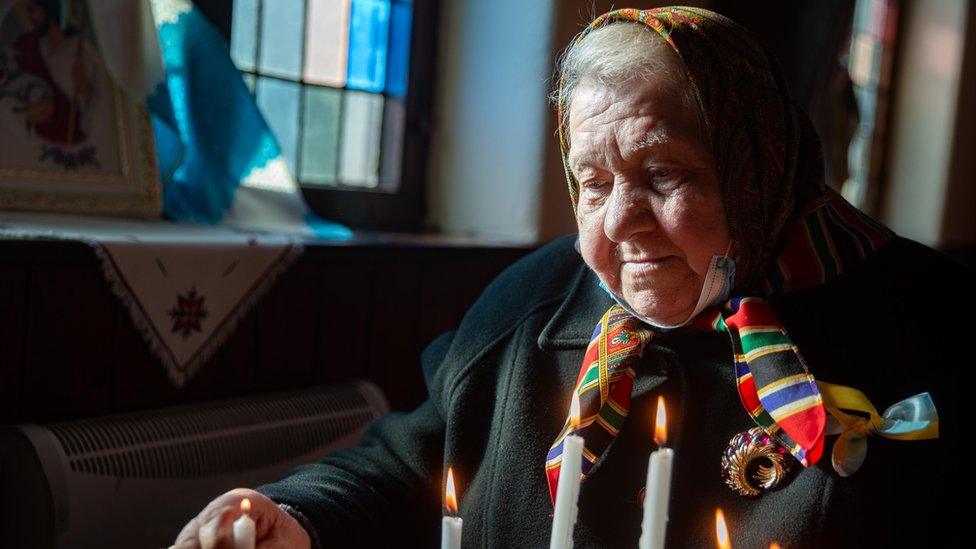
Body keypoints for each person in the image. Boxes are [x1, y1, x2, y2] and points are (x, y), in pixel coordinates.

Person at [174, 7, 970, 548]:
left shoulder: (923, 321)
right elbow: (403, 465)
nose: (620, 218)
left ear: (755, 168)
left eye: (663, 173)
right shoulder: (529, 308)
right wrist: (290, 513)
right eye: (593, 183)